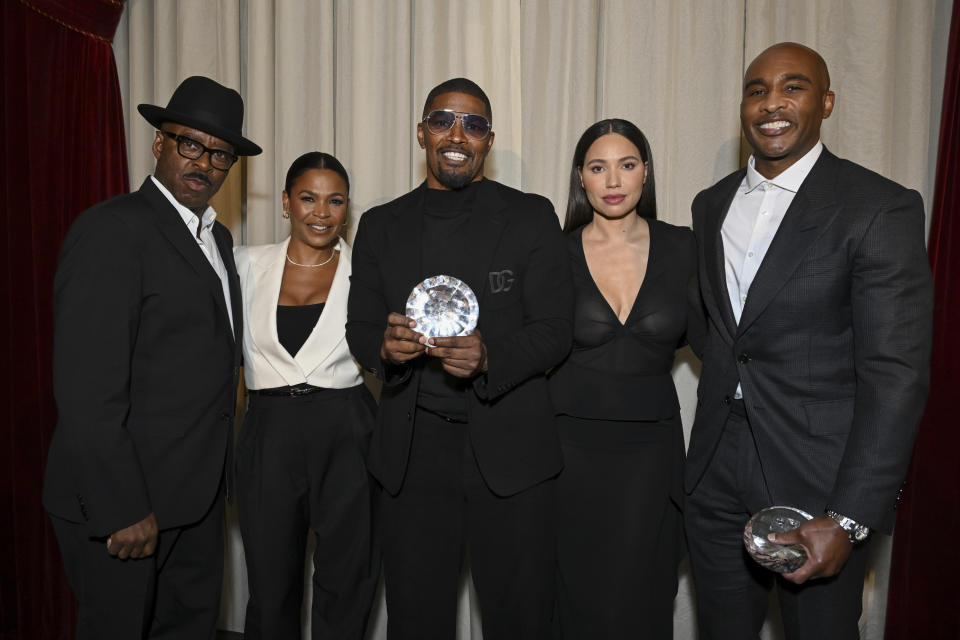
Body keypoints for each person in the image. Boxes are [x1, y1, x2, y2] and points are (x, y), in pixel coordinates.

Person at [685, 42, 933, 639]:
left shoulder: (878, 207)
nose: (772, 104)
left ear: (825, 102)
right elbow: (717, 332)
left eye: (792, 88)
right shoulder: (710, 204)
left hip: (820, 482)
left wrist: (848, 519)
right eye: (756, 90)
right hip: (716, 471)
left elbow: (895, 375)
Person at [346, 77, 572, 639]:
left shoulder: (530, 216)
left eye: (473, 125)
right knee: (416, 618)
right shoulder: (380, 224)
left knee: (519, 618)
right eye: (444, 120)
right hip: (412, 454)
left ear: (488, 141)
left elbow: (556, 330)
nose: (457, 134)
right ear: (421, 132)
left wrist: (490, 355)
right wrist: (384, 347)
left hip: (512, 452)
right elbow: (360, 327)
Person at [43, 76, 261, 639]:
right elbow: (87, 390)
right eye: (189, 143)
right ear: (159, 143)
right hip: (126, 508)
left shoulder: (219, 240)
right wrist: (121, 508)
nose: (205, 162)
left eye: (220, 153)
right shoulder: (112, 231)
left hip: (195, 502)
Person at [549, 118, 703, 639]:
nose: (613, 180)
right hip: (569, 456)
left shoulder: (685, 247)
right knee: (574, 603)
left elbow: (721, 344)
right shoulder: (552, 252)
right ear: (581, 179)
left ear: (645, 174)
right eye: (599, 167)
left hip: (652, 458)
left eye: (627, 165)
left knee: (644, 599)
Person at [233, 152, 378, 639]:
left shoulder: (369, 274)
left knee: (346, 582)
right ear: (285, 203)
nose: (321, 212)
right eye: (308, 198)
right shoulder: (244, 265)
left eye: (335, 201)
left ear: (347, 209)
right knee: (271, 588)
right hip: (267, 433)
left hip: (347, 430)